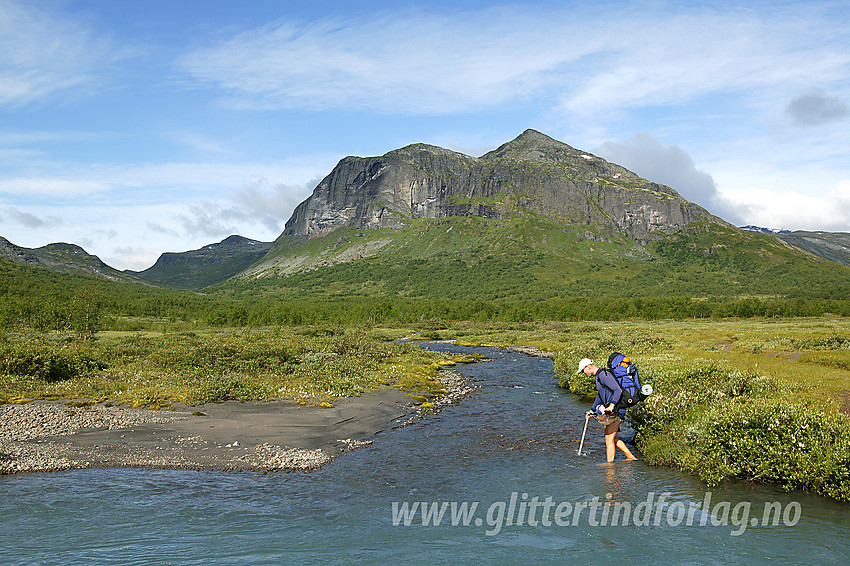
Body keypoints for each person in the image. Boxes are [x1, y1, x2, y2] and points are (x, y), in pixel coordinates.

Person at [577, 358, 638, 463]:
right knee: (611, 437)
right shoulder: (598, 377)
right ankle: (630, 457)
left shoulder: (603, 375)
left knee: (608, 439)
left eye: (583, 371)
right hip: (611, 411)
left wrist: (612, 405)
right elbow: (600, 396)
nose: (583, 373)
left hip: (617, 410)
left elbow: (617, 390)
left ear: (588, 366)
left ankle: (609, 466)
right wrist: (592, 410)